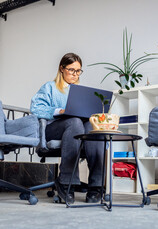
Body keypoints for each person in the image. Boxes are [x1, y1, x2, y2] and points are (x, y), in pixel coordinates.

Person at [30, 53, 104, 204]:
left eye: (78, 71)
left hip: (77, 130)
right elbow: (36, 109)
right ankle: (66, 183)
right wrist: (59, 111)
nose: (75, 74)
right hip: (52, 129)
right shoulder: (49, 87)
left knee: (92, 128)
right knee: (74, 121)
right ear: (61, 69)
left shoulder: (81, 92)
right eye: (71, 70)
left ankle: (96, 185)